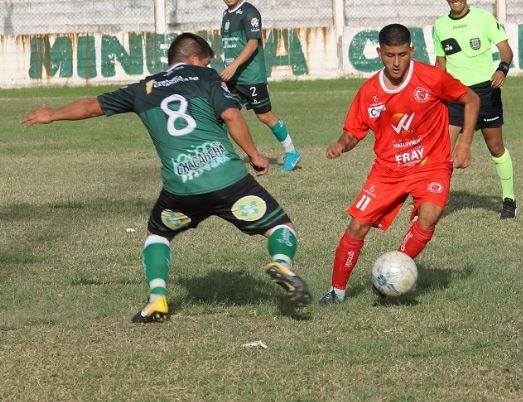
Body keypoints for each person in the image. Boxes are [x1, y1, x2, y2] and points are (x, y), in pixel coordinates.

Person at [22, 33, 312, 322]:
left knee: (159, 234)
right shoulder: (206, 77)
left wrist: (52, 114)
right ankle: (281, 263)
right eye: (207, 61)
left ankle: (158, 299)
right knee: (280, 227)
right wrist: (255, 155)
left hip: (182, 190)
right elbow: (232, 116)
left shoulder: (143, 88)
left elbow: (90, 105)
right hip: (228, 181)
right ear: (195, 59)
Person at [318, 24, 479, 305]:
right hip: (388, 170)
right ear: (379, 52)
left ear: (411, 51)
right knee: (357, 226)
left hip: (431, 164)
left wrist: (464, 143)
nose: (396, 62)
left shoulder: (431, 77)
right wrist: (341, 145)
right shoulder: (369, 92)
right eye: (389, 55)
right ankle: (336, 292)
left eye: (402, 55)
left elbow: (471, 99)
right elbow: (354, 131)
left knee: (430, 214)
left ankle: (392, 273)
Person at [433, 0, 518, 219]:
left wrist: (502, 69)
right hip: (456, 94)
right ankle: (432, 200)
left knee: (495, 147)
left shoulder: (483, 18)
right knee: (442, 151)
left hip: (485, 91)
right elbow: (440, 62)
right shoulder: (440, 25)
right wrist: (437, 92)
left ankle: (509, 199)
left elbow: (506, 51)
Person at [218, 0, 302, 172]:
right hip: (233, 78)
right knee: (223, 114)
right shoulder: (225, 14)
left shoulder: (250, 13)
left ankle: (291, 152)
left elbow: (253, 44)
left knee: (265, 116)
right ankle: (224, 158)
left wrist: (234, 66)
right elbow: (231, 46)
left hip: (251, 77)